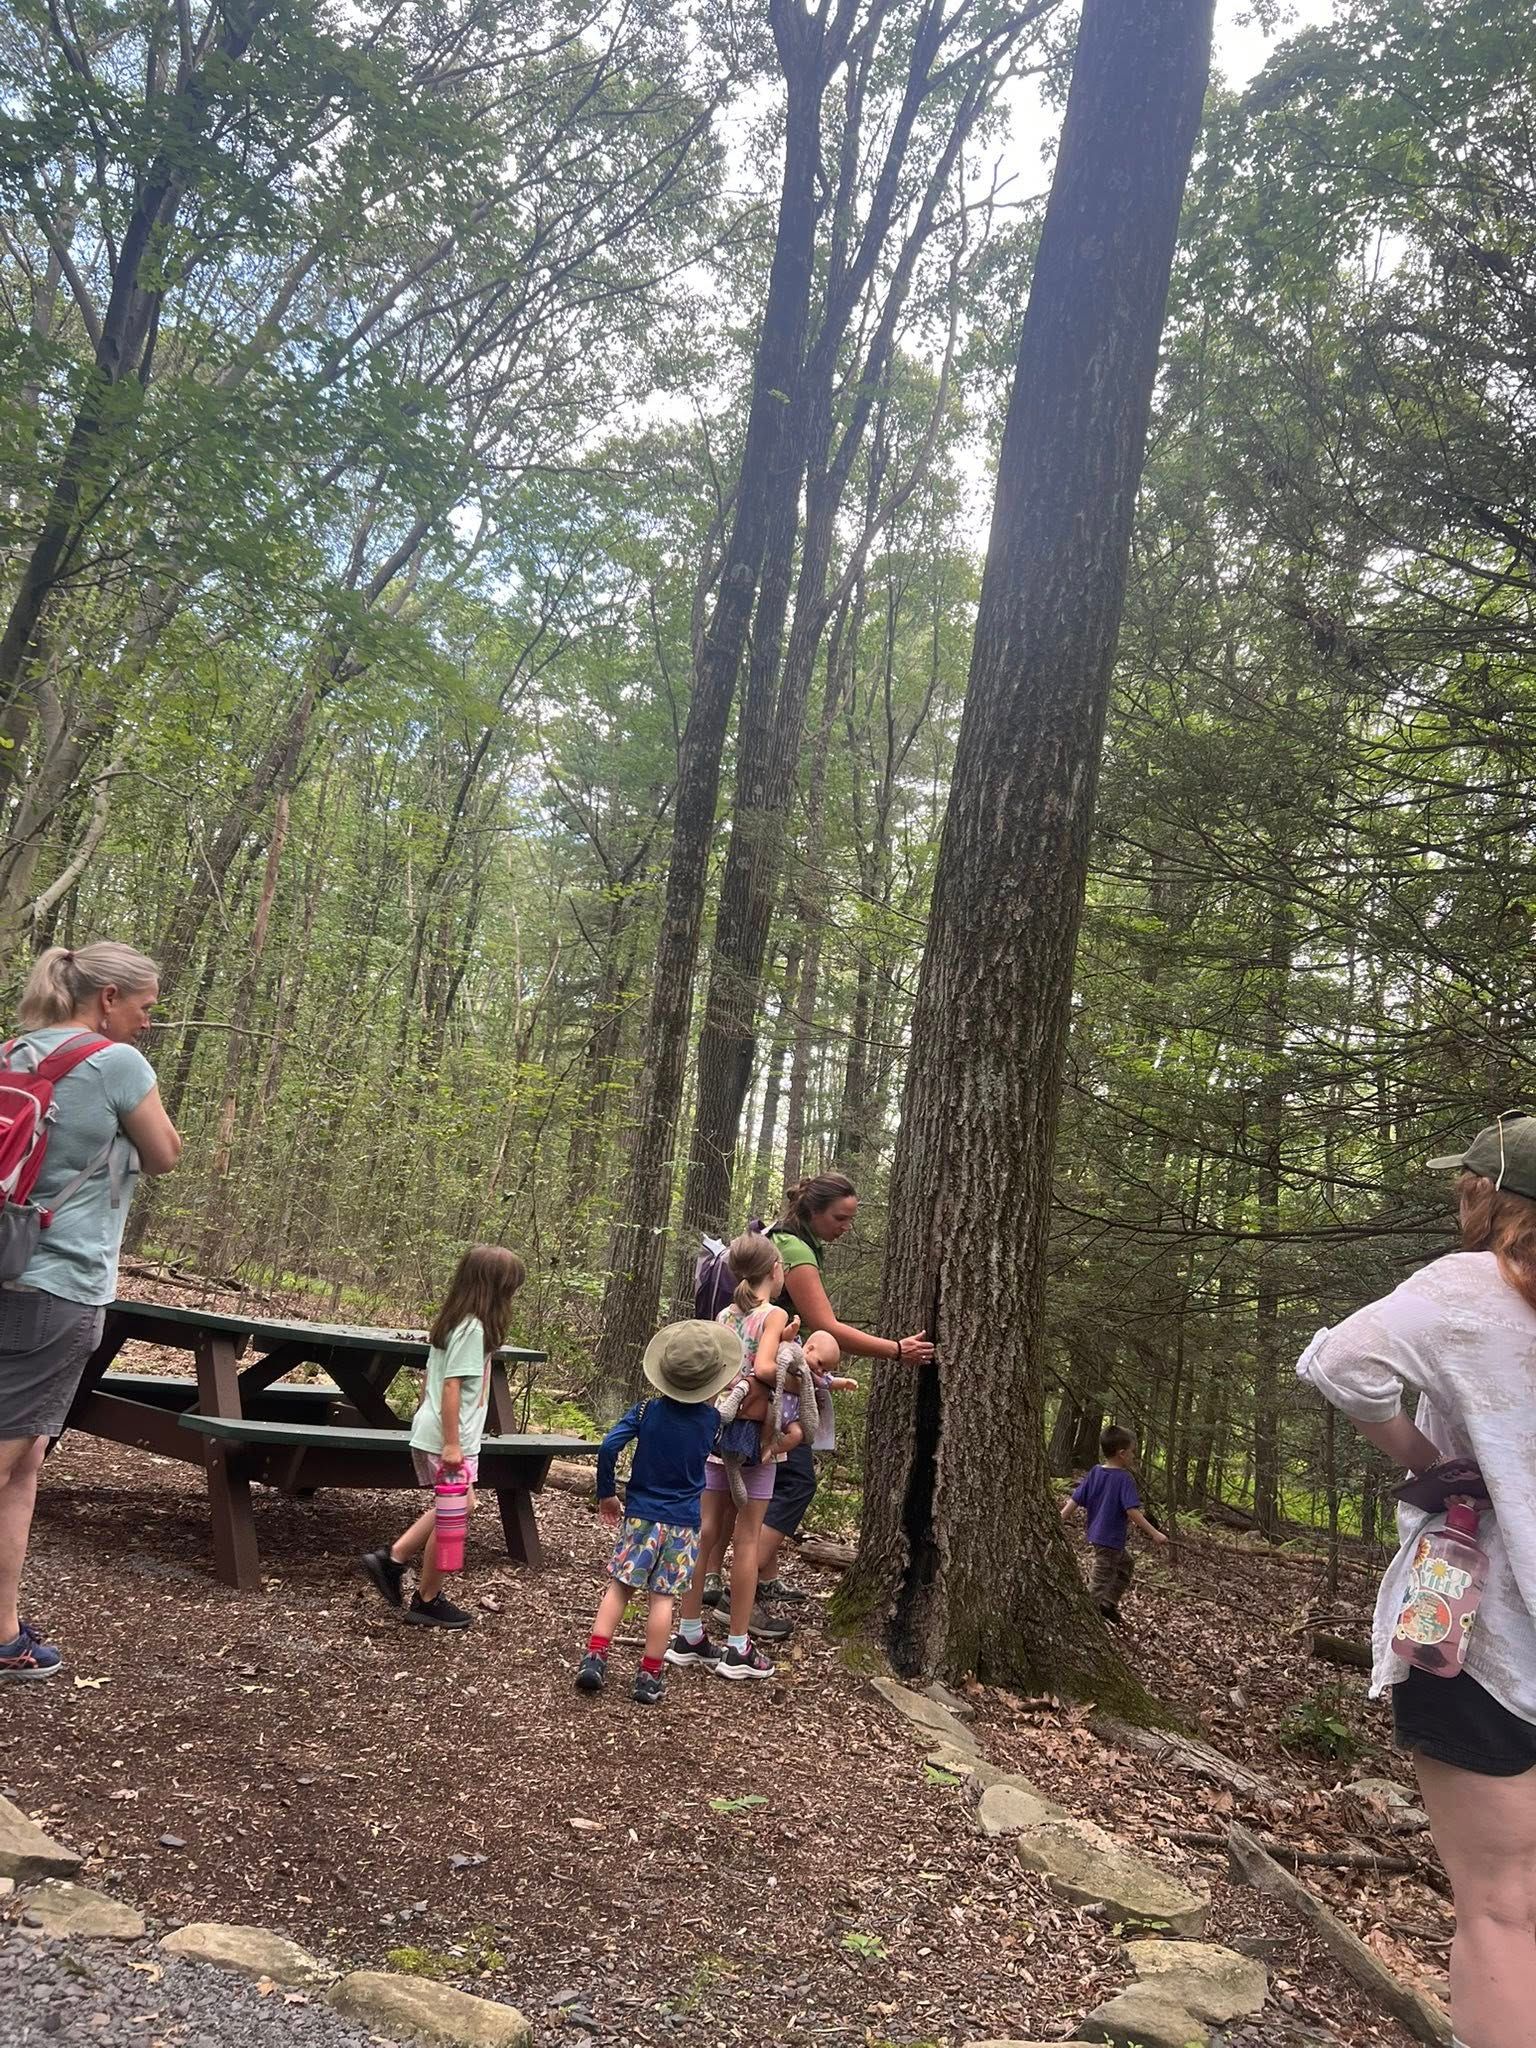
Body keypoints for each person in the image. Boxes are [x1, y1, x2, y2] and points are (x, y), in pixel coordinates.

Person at [1297, 1114, 1536, 2048]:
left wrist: (1424, 1457)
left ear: (1486, 1194)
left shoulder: (1464, 1292)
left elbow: (1341, 1362)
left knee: (1501, 1911)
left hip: (1482, 1638)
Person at [0, 943, 182, 1682]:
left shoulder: (11, 1049)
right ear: (108, 998)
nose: (147, 1023)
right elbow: (165, 1151)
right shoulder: (114, 1064)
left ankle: (4, 1630)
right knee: (8, 1457)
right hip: (57, 1284)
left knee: (23, 1463)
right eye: (143, 1008)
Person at [752, 1173, 934, 1605]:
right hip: (774, 1385)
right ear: (812, 1213)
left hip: (775, 1381)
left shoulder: (790, 1241)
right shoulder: (794, 1252)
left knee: (776, 1481)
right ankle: (740, 1585)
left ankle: (761, 1580)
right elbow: (826, 1325)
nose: (846, 1227)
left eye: (852, 1219)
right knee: (796, 1482)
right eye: (840, 1218)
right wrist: (895, 1350)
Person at [360, 1244, 526, 1631]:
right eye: (511, 1288)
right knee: (457, 1511)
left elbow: (432, 1382)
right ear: (495, 1289)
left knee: (457, 1509)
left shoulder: (457, 1321)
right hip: (450, 1440)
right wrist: (452, 1443)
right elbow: (451, 1387)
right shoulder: (472, 1329)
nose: (513, 1296)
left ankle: (394, 1559)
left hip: (442, 1433)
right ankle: (426, 1598)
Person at [576, 1319, 742, 1705]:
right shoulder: (711, 1422)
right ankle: (648, 1677)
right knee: (663, 1599)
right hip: (684, 1523)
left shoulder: (646, 1411)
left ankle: (595, 1657)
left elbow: (607, 1448)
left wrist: (606, 1494)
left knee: (620, 1586)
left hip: (641, 1516)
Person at [669, 1234, 795, 1679]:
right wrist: (795, 1376)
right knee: (746, 1537)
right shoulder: (773, 1313)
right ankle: (738, 1647)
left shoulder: (725, 1312)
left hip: (715, 1429)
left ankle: (688, 1634)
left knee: (706, 1532)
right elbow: (762, 1368)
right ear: (775, 1269)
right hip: (752, 1436)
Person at [1059, 1425, 1167, 1623]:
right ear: (1122, 1454)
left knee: (1126, 1566)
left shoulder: (1095, 1472)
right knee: (1099, 1581)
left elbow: (1075, 1499)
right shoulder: (1123, 1479)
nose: (1135, 1456)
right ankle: (1083, 1620)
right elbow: (1132, 1511)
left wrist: (1060, 1518)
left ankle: (1107, 1604)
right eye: (1133, 1452)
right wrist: (1154, 1533)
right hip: (1109, 1540)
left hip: (1099, 1536)